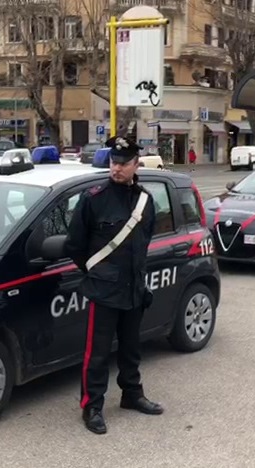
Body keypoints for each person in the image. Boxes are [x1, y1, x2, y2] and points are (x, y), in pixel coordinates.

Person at [65, 135, 164, 435]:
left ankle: (132, 395)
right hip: (104, 290)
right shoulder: (93, 199)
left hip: (134, 288)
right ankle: (92, 406)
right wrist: (97, 272)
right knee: (96, 353)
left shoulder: (145, 201)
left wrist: (138, 278)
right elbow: (74, 245)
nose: (117, 168)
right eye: (113, 162)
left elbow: (144, 243)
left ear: (137, 164)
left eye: (123, 163)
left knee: (132, 348)